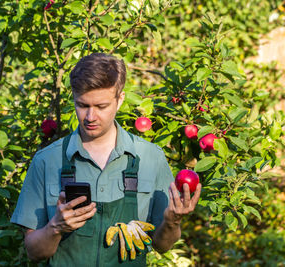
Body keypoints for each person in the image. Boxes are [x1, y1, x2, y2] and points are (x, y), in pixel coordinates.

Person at [10, 53, 201, 266]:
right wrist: (56, 226)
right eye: (83, 105)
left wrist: (173, 221)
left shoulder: (150, 158)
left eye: (101, 107)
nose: (90, 117)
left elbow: (162, 245)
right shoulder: (47, 160)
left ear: (120, 100)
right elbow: (34, 252)